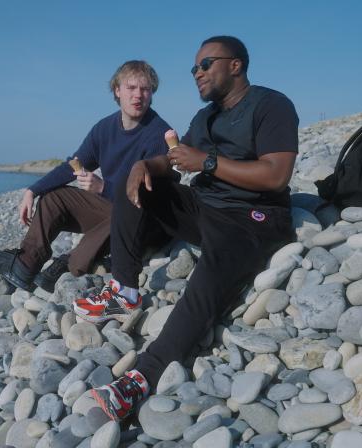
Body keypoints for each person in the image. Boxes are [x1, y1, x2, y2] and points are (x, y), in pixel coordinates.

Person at [73, 36, 299, 421]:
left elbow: (277, 175)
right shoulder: (205, 117)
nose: (197, 73)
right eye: (194, 67)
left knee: (209, 277)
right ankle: (124, 289)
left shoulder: (270, 105)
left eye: (206, 64)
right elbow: (176, 158)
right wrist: (147, 166)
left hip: (252, 217)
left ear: (235, 65)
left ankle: (143, 376)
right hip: (205, 206)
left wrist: (207, 162)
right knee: (135, 182)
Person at [0, 60, 172, 293]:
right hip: (111, 210)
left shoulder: (159, 133)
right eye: (131, 87)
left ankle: (67, 265)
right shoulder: (104, 128)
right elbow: (73, 166)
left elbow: (152, 197)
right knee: (54, 198)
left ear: (152, 93)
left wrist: (104, 188)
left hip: (144, 220)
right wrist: (32, 190)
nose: (138, 95)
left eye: (145, 89)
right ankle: (25, 263)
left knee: (119, 219)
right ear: (117, 91)